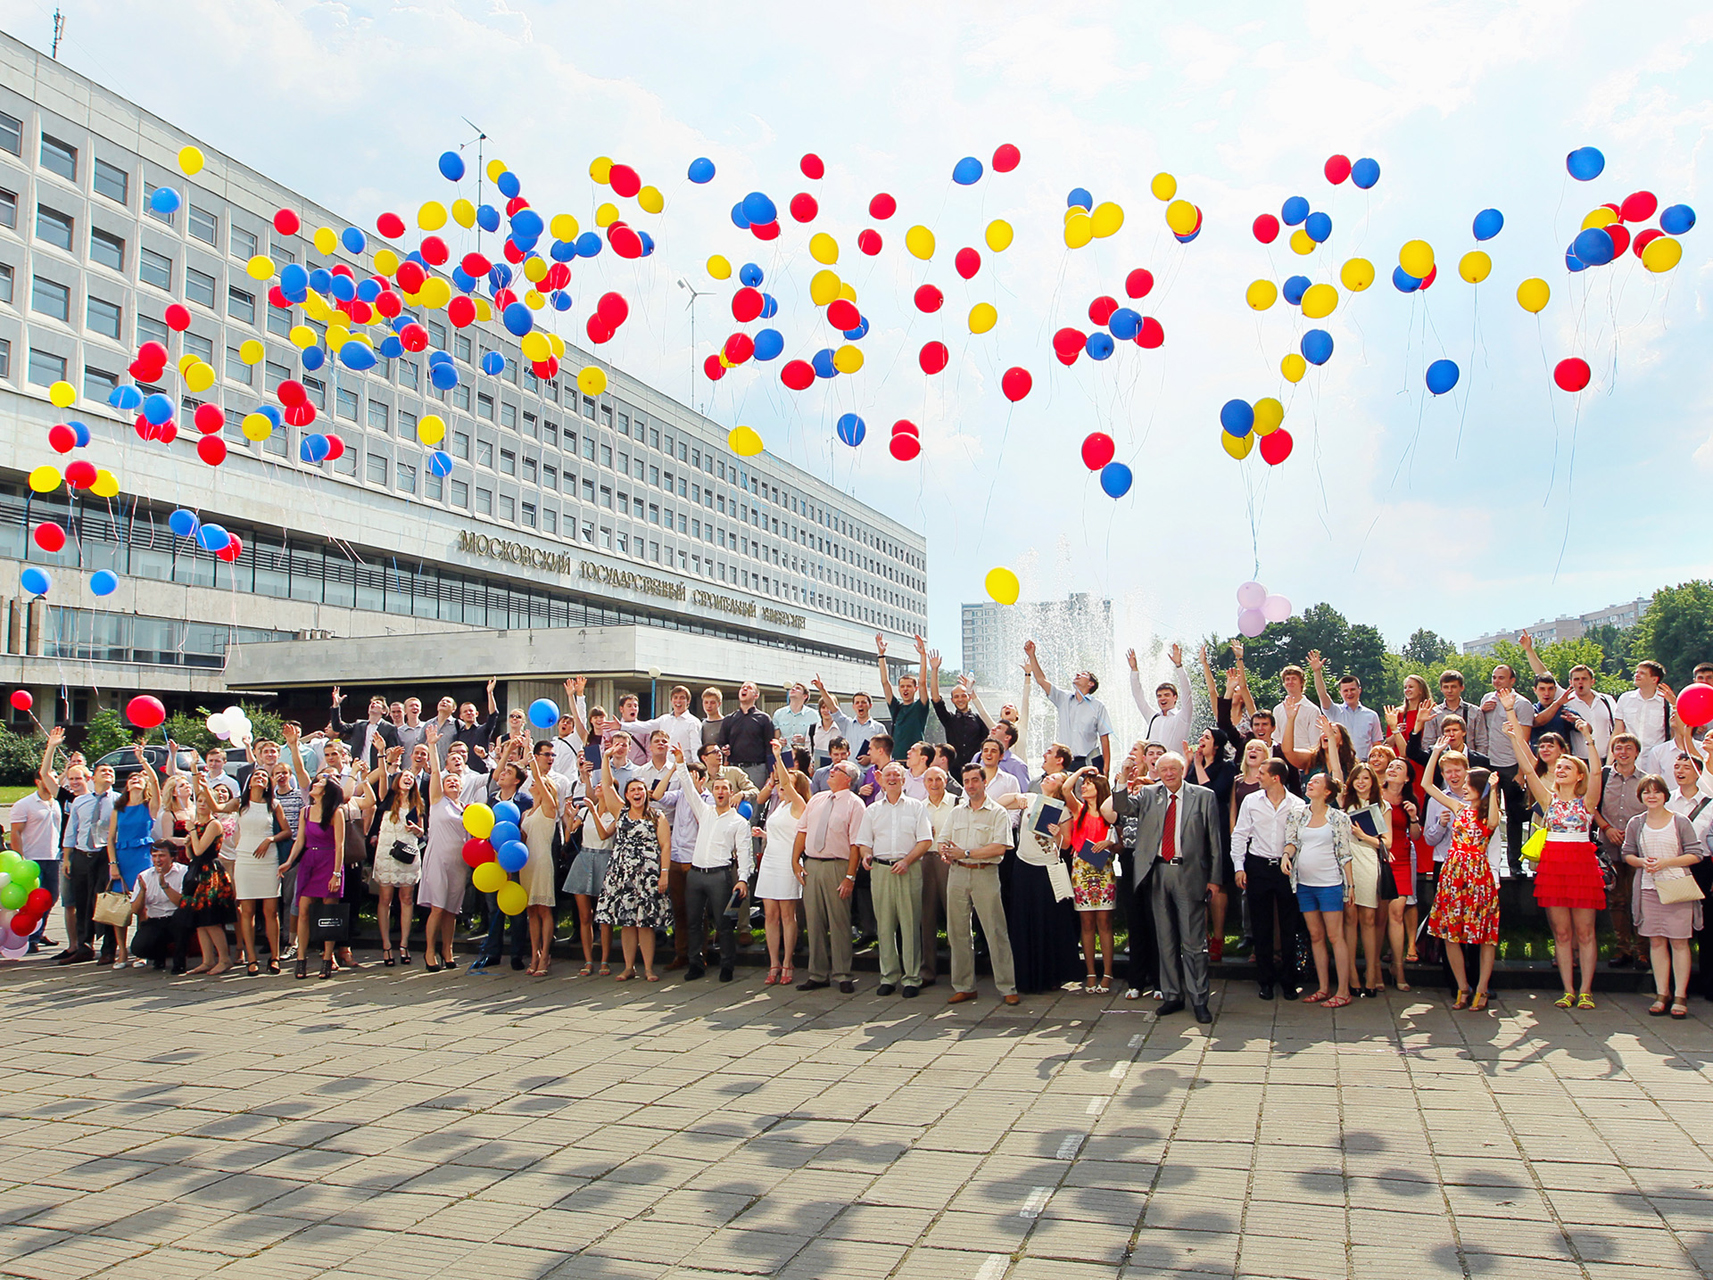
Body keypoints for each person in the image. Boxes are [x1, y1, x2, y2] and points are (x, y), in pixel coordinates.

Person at [1506, 694, 1605, 1009]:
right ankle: (1568, 989)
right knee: (1561, 933)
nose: (1559, 769)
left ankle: (1586, 989)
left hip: (1581, 867)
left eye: (1566, 766)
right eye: (1558, 766)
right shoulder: (1548, 800)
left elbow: (1598, 774)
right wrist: (1513, 733)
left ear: (1578, 775)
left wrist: (1588, 739)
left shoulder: (1586, 802)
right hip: (1554, 867)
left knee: (1585, 931)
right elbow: (1529, 769)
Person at [1109, 752, 1221, 1023]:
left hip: (1189, 872)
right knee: (1165, 939)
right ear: (1157, 771)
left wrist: (1214, 879)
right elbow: (1122, 807)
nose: (1169, 773)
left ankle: (1199, 999)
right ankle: (1172, 995)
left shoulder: (1202, 796)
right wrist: (1123, 778)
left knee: (1193, 942)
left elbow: (1215, 840)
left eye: (1173, 768)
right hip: (1156, 872)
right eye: (1163, 769)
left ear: (1182, 769)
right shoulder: (1149, 794)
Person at [1421, 740, 1504, 1009]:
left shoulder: (1485, 812)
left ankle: (1481, 989)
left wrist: (1492, 789)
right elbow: (1427, 786)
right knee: (1449, 933)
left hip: (1478, 876)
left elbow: (1492, 823)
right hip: (1453, 873)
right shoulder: (1459, 808)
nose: (1462, 787)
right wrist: (1435, 752)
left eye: (1468, 784)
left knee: (1484, 934)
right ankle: (1462, 987)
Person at [1623, 774, 1707, 1019]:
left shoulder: (1679, 821)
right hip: (1649, 889)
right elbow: (1627, 853)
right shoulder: (1636, 823)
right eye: (1647, 792)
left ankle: (1680, 994)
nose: (1652, 796)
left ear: (1664, 795)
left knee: (1679, 942)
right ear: (1641, 797)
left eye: (1656, 792)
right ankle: (1662, 993)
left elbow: (1696, 853)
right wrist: (1642, 862)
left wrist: (1666, 863)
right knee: (1656, 941)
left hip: (1677, 889)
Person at [940, 763, 1020, 1006]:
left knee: (995, 930)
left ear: (985, 782)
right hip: (957, 874)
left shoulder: (997, 812)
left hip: (985, 873)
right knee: (957, 931)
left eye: (975, 780)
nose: (971, 785)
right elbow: (943, 840)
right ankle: (964, 986)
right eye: (966, 781)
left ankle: (1007, 987)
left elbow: (1000, 847)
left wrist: (965, 852)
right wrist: (945, 852)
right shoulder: (956, 812)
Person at [673, 746, 754, 983]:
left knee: (723, 923)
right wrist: (680, 762)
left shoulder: (739, 822)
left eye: (724, 789)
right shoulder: (704, 811)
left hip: (720, 876)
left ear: (731, 793)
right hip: (696, 874)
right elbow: (688, 787)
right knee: (693, 921)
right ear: (712, 791)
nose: (720, 792)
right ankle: (695, 963)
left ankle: (727, 965)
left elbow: (745, 853)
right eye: (716, 788)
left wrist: (742, 879)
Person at [1231, 759, 1308, 1001]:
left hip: (1286, 869)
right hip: (1258, 865)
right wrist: (1238, 867)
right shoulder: (1252, 801)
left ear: (1276, 777)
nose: (1258, 776)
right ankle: (1264, 980)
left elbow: (1299, 838)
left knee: (1289, 925)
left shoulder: (1297, 804)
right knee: (1261, 925)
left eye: (1262, 773)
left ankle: (1289, 980)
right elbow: (1240, 834)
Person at [856, 761, 932, 997]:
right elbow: (864, 842)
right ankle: (888, 977)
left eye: (896, 775)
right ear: (881, 779)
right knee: (885, 926)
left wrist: (907, 861)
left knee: (909, 926)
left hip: (908, 869)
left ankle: (911, 978)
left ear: (903, 779)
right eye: (888, 775)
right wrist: (866, 855)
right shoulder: (873, 810)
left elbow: (925, 840)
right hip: (881, 871)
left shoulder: (916, 807)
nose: (892, 779)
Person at [1281, 772, 1355, 1009]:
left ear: (1328, 792)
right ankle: (1324, 987)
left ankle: (1343, 990)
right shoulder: (1298, 814)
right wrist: (1286, 855)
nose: (1310, 784)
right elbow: (1291, 841)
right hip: (1304, 883)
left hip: (1330, 883)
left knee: (1335, 936)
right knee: (1316, 935)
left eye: (1316, 783)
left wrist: (1350, 885)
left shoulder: (1339, 818)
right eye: (1309, 782)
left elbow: (1345, 853)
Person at [792, 761, 867, 993]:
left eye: (837, 770)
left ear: (848, 779)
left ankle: (843, 973)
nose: (831, 772)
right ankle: (817, 973)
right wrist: (795, 860)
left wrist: (850, 876)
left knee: (839, 921)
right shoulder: (817, 799)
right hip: (813, 865)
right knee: (813, 920)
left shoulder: (855, 804)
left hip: (838, 865)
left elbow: (855, 844)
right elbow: (802, 831)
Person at [595, 765, 673, 983]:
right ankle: (629, 967)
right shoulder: (620, 812)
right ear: (627, 796)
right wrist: (607, 757)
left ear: (646, 793)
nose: (637, 793)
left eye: (640, 789)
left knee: (645, 923)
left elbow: (665, 845)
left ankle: (648, 968)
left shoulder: (658, 816)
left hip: (648, 875)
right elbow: (608, 785)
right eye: (632, 790)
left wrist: (664, 873)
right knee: (627, 923)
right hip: (622, 873)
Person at [226, 760, 287, 975]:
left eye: (263, 776)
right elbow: (216, 807)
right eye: (255, 776)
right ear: (249, 782)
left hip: (268, 857)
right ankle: (251, 958)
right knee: (247, 910)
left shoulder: (273, 804)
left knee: (271, 910)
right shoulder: (240, 804)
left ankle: (275, 956)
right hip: (244, 858)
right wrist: (198, 777)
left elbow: (286, 831)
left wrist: (270, 839)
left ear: (268, 784)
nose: (259, 779)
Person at [755, 740, 808, 986]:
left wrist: (778, 756)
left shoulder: (800, 805)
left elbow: (786, 781)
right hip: (770, 861)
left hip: (788, 862)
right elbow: (781, 832)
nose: (781, 787)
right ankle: (773, 962)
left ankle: (788, 961)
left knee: (788, 915)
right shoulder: (778, 807)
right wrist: (763, 835)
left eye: (786, 785)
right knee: (770, 915)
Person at [418, 723, 471, 972]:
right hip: (438, 859)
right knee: (438, 908)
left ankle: (447, 950)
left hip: (458, 864)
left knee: (451, 910)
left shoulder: (466, 810)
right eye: (448, 780)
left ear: (461, 786)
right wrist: (432, 745)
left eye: (455, 782)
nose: (451, 782)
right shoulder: (438, 801)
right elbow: (437, 772)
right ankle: (430, 951)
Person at [1595, 732, 1649, 969]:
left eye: (1628, 748)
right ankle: (1623, 949)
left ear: (1637, 752)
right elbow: (1591, 807)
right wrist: (1607, 828)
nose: (1623, 753)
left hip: (1638, 849)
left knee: (1640, 899)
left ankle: (1643, 951)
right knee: (1616, 899)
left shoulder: (1647, 780)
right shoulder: (1604, 777)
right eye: (1618, 748)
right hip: (1610, 846)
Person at [1061, 766, 1117, 993]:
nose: (1083, 787)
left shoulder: (1108, 812)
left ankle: (1108, 972)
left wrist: (1110, 843)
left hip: (1103, 869)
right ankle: (1091, 971)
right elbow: (1066, 788)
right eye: (1083, 784)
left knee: (1104, 922)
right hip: (1081, 868)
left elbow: (1117, 838)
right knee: (1086, 923)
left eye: (1089, 784)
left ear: (1100, 788)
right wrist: (1082, 770)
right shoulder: (1079, 810)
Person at [1187, 729, 1238, 964]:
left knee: (1218, 884)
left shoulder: (1226, 767)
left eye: (1206, 738)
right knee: (1197, 883)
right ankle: (1201, 937)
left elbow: (1212, 793)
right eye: (1202, 737)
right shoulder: (1192, 767)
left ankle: (1218, 937)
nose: (1201, 741)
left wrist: (1197, 765)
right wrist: (1190, 763)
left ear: (1216, 745)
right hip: (1195, 831)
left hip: (1216, 830)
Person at [371, 749, 424, 968]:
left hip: (407, 851)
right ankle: (385, 945)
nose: (408, 779)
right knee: (385, 898)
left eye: (411, 778)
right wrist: (383, 754)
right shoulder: (387, 799)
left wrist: (416, 830)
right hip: (386, 852)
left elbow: (422, 831)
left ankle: (403, 944)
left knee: (406, 898)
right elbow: (382, 776)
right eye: (405, 776)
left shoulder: (416, 805)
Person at [1024, 640, 1112, 772]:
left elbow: (1104, 738)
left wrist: (1106, 768)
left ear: (1091, 684)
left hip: (1088, 762)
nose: (1077, 675)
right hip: (1065, 762)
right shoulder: (1063, 698)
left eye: (1083, 675)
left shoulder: (1098, 706)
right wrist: (1032, 656)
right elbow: (1041, 680)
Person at [13, 730, 64, 956]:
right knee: (32, 900)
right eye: (49, 777)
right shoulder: (25, 804)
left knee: (51, 897)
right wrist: (20, 859)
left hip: (53, 857)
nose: (53, 780)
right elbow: (15, 833)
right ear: (38, 780)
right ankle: (28, 937)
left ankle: (39, 932)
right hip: (31, 859)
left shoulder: (57, 802)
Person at [564, 756, 616, 976]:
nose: (597, 788)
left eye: (601, 785)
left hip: (605, 859)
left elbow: (605, 834)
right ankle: (588, 960)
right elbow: (568, 837)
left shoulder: (615, 814)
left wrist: (593, 812)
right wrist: (571, 818)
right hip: (584, 858)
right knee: (585, 916)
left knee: (603, 916)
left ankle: (604, 960)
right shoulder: (585, 811)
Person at [62, 760, 116, 964]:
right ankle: (84, 946)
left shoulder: (119, 801)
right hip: (83, 855)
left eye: (111, 771)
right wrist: (67, 858)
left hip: (105, 856)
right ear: (93, 778)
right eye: (103, 770)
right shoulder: (80, 801)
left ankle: (109, 948)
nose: (108, 773)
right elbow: (71, 831)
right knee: (82, 902)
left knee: (105, 901)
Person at [1342, 763, 1388, 997]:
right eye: (1357, 778)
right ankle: (1351, 974)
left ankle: (1371, 973)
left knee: (1368, 917)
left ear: (1373, 782)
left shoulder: (1381, 806)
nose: (1361, 782)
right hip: (1347, 860)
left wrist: (1364, 836)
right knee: (1350, 917)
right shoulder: (1344, 803)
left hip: (1369, 859)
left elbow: (1386, 843)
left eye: (1366, 778)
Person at [183, 777, 236, 977]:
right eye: (200, 801)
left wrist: (191, 833)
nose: (202, 805)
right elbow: (191, 853)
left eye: (206, 801)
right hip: (197, 870)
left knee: (211, 918)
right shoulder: (197, 824)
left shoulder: (213, 824)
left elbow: (200, 849)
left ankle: (224, 958)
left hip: (210, 872)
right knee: (199, 920)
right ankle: (207, 959)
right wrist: (189, 840)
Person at [1380, 757, 1421, 979]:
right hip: (1378, 858)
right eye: (1391, 766)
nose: (1393, 770)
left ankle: (1398, 966)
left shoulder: (1409, 801)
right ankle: (1375, 967)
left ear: (1406, 778)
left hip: (1402, 860)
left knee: (1397, 913)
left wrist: (1413, 817)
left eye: (1399, 768)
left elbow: (1416, 836)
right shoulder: (1375, 795)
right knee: (1377, 915)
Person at [519, 749, 559, 976]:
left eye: (539, 782)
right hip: (527, 863)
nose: (534, 784)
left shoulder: (549, 807)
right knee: (531, 910)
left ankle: (545, 956)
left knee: (544, 909)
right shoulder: (526, 813)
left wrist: (531, 757)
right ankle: (534, 953)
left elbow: (538, 777)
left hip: (543, 860)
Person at [128, 844, 189, 972]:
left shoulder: (183, 872)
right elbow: (135, 910)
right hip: (155, 919)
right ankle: (158, 956)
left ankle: (179, 963)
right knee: (139, 948)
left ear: (172, 857)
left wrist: (165, 886)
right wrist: (142, 892)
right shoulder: (144, 876)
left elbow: (183, 904)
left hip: (177, 917)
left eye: (162, 856)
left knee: (181, 920)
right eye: (154, 856)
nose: (157, 860)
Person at [1310, 652, 1384, 756]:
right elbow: (1322, 694)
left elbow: (1376, 744)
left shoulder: (1372, 715)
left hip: (1363, 765)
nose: (1349, 693)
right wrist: (1317, 672)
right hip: (1339, 763)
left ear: (1359, 690)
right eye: (1345, 691)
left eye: (1352, 689)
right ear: (1340, 693)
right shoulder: (1334, 711)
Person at [1128, 642, 1193, 759]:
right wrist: (1134, 670)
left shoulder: (1182, 717)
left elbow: (1187, 693)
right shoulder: (1153, 716)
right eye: (1159, 696)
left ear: (1175, 697)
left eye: (1166, 695)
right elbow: (1138, 697)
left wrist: (1179, 666)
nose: (1162, 698)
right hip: (1153, 769)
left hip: (1174, 768)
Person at [928, 655, 986, 769]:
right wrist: (934, 670)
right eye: (956, 696)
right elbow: (935, 698)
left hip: (976, 769)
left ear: (969, 697)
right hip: (954, 769)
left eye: (963, 695)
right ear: (952, 700)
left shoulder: (979, 719)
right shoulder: (949, 719)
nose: (960, 699)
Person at [877, 633, 931, 753]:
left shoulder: (920, 706)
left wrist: (923, 655)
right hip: (897, 760)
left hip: (916, 760)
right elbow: (885, 682)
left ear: (915, 689)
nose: (905, 689)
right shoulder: (896, 707)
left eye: (908, 686)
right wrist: (881, 655)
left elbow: (922, 682)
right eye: (902, 686)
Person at [718, 682, 776, 789]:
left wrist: (771, 773)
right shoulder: (729, 719)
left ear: (756, 696)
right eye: (742, 687)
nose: (744, 689)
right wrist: (724, 749)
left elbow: (770, 747)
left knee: (755, 802)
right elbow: (721, 742)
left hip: (756, 769)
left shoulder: (763, 718)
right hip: (734, 767)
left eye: (749, 688)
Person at [330, 689, 400, 768]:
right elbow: (337, 727)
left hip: (377, 770)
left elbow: (393, 750)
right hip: (358, 769)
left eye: (377, 703)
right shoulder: (359, 725)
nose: (373, 703)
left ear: (383, 711)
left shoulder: (389, 728)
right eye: (371, 703)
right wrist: (336, 706)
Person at [1618, 660, 1674, 758]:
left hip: (1656, 757)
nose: (1637, 675)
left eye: (1642, 673)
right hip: (1628, 757)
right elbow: (1618, 731)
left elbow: (1674, 732)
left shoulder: (1666, 702)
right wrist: (1610, 762)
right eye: (1636, 672)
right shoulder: (1625, 699)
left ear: (1654, 679)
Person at [770, 683, 817, 758]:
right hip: (784, 756)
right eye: (792, 688)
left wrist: (804, 740)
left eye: (798, 688)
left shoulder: (814, 715)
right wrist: (779, 742)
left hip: (804, 757)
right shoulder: (779, 713)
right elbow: (775, 738)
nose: (793, 689)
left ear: (805, 696)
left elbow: (818, 738)